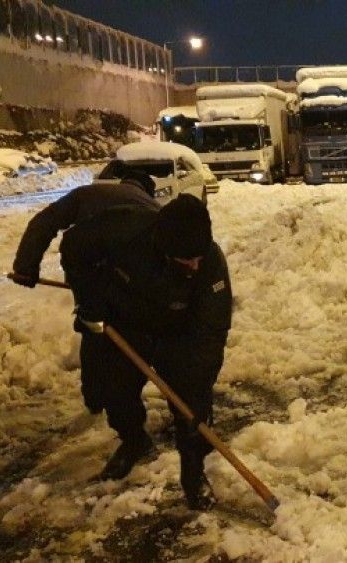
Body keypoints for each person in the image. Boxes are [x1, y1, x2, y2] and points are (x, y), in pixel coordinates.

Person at [15, 194, 232, 510]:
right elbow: (74, 247)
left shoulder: (210, 264)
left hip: (177, 330)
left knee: (193, 408)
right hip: (124, 321)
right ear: (164, 246)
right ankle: (133, 440)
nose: (195, 266)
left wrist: (198, 387)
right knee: (113, 392)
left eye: (198, 258)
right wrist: (90, 301)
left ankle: (193, 474)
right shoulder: (123, 231)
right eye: (187, 260)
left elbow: (212, 333)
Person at [12, 167, 157, 285]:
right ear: (148, 192)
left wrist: (25, 268)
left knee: (88, 311)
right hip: (132, 269)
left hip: (82, 258)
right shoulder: (154, 207)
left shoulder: (86, 193)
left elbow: (44, 222)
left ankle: (86, 316)